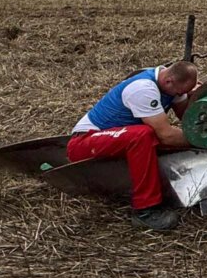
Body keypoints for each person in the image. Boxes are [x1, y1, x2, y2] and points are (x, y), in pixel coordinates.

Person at [67, 61, 198, 230]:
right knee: (143, 136)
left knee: (149, 136)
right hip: (83, 142)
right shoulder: (143, 88)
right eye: (181, 92)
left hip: (115, 140)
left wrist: (199, 103)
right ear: (169, 81)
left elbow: (187, 119)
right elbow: (166, 135)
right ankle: (145, 211)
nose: (181, 95)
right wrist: (206, 141)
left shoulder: (171, 85)